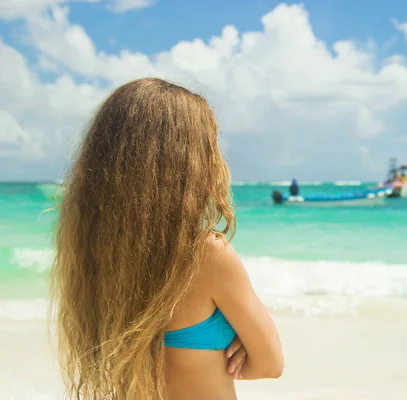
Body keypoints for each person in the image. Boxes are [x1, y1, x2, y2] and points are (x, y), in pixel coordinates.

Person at [50, 78, 283, 400]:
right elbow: (270, 364)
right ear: (189, 161)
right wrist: (238, 342)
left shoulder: (93, 251)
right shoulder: (205, 255)